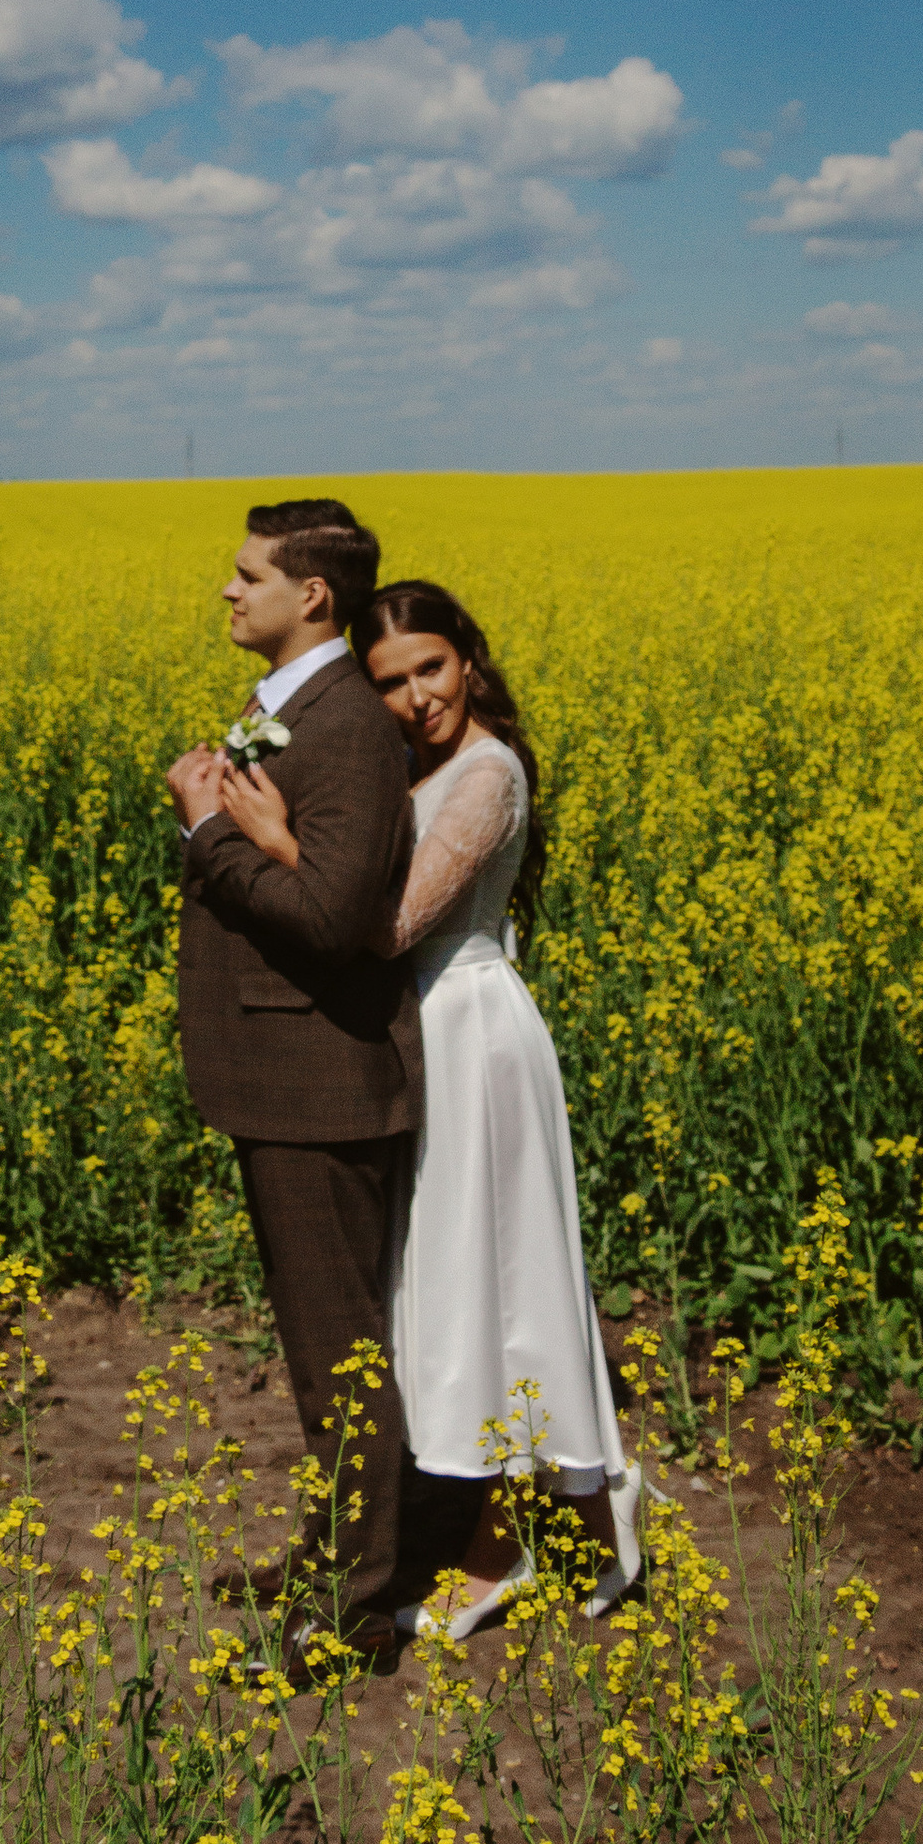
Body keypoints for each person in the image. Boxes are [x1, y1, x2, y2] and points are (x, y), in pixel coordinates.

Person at [212, 577, 653, 1643]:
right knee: (438, 1283)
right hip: (417, 1040)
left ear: (469, 660)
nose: (416, 698)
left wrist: (269, 838)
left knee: (494, 1279)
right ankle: (449, 1515)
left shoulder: (488, 774)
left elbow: (390, 924)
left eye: (431, 669)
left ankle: (502, 1544)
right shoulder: (419, 766)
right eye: (389, 682)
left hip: (472, 1041)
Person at [167, 497, 419, 1675]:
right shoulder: (294, 711)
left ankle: (359, 1608)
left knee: (341, 1352)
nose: (228, 590)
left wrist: (208, 830)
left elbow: (330, 920)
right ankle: (332, 1559)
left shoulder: (348, 730)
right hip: (284, 1079)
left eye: (246, 574)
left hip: (320, 1082)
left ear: (311, 595)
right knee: (324, 1348)